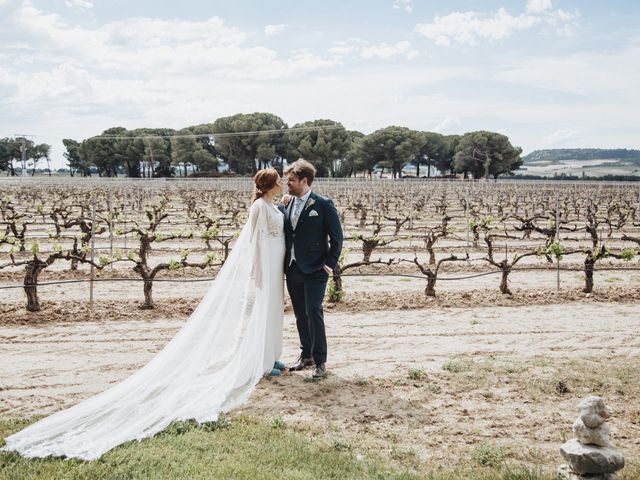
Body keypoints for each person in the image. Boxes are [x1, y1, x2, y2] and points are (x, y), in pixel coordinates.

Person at [1, 168, 287, 460]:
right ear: (268, 185)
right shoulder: (258, 208)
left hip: (278, 267)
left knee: (274, 311)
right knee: (263, 313)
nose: (282, 183)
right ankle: (261, 361)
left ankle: (270, 355)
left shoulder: (273, 205)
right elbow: (255, 244)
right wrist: (260, 273)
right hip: (267, 268)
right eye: (278, 181)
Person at [280, 159, 343, 379]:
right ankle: (305, 355)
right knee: (299, 314)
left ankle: (320, 361)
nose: (287, 184)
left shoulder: (323, 204)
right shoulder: (286, 203)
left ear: (304, 181)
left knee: (314, 311)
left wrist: (329, 265)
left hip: (316, 269)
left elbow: (337, 238)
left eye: (291, 181)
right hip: (293, 268)